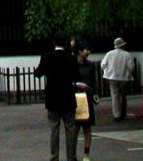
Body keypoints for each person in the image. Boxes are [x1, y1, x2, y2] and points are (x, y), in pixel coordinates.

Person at [34, 33, 86, 161]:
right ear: (66, 43)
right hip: (68, 96)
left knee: (54, 128)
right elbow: (77, 76)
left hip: (52, 97)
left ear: (53, 42)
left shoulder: (46, 57)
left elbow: (37, 73)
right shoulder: (71, 58)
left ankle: (54, 156)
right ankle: (71, 156)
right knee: (70, 128)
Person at [100, 37, 136, 121]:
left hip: (112, 77)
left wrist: (106, 70)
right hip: (124, 77)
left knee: (115, 95)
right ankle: (123, 112)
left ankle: (117, 115)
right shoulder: (127, 54)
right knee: (123, 94)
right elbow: (131, 67)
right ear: (123, 45)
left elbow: (103, 65)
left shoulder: (109, 54)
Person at [75, 41, 97, 161]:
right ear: (79, 51)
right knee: (74, 127)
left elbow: (93, 81)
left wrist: (94, 93)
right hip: (76, 97)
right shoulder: (72, 64)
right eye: (86, 50)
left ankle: (86, 154)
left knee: (87, 127)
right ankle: (72, 153)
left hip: (87, 97)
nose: (88, 52)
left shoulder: (90, 65)